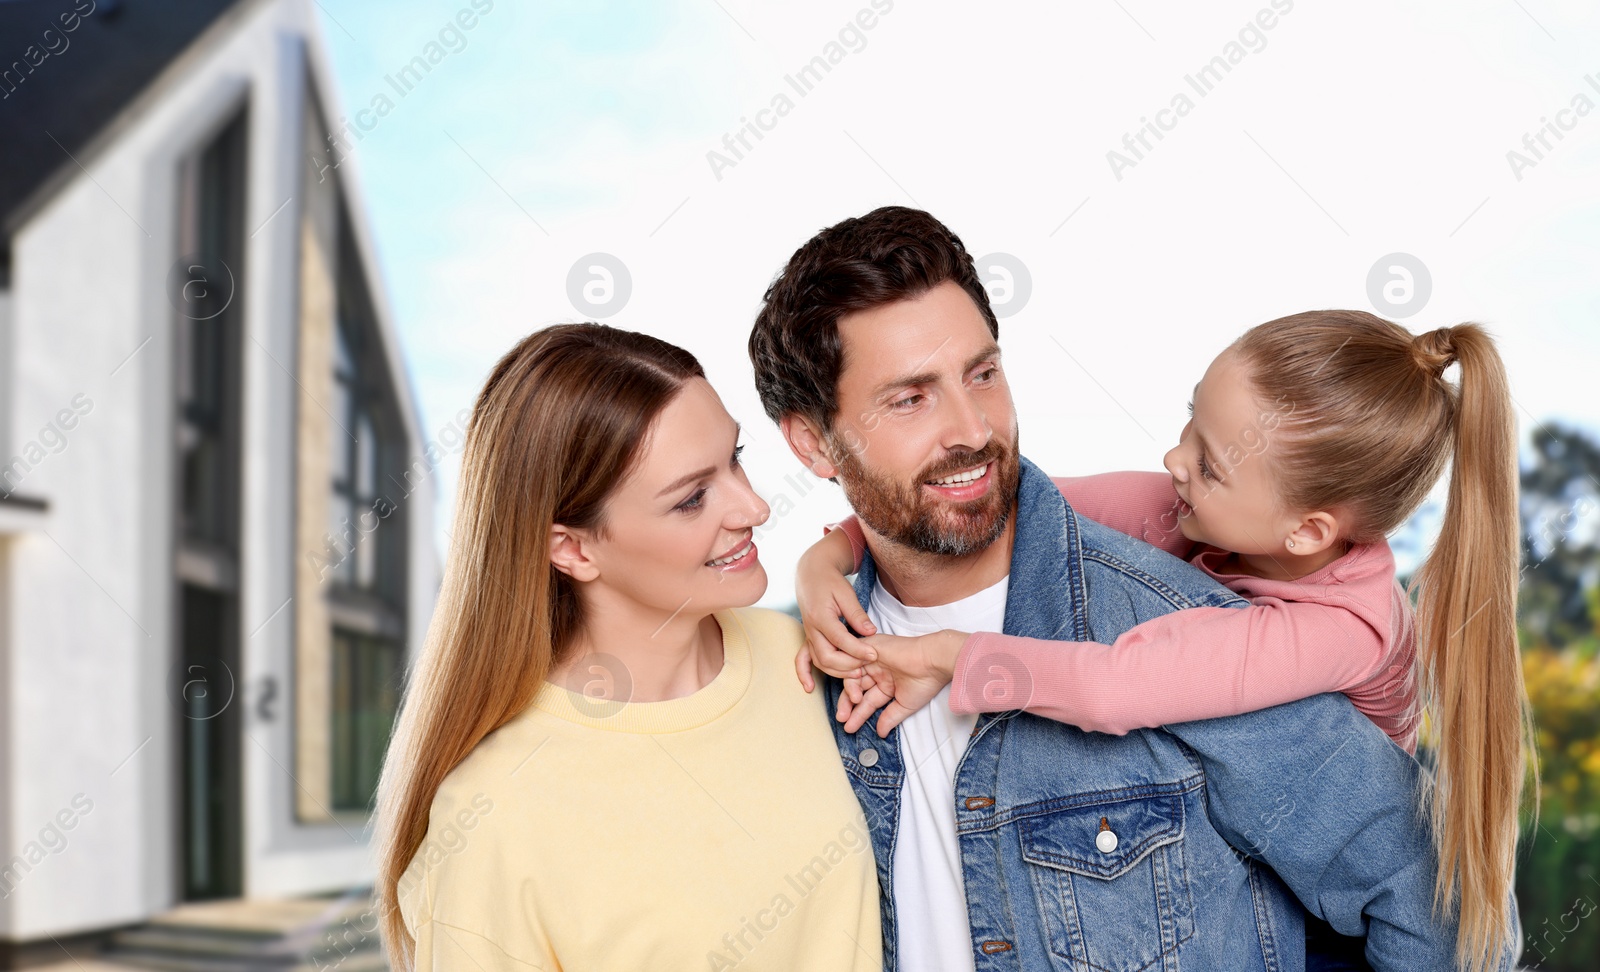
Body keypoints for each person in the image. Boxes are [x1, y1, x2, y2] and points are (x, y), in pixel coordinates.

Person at [747, 206, 1520, 971]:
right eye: (911, 398)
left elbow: (1451, 922)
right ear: (814, 443)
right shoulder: (789, 675)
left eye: (983, 373)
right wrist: (826, 560)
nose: (973, 428)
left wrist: (954, 657)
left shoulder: (1228, 641)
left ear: (1311, 530)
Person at [373, 324, 882, 971]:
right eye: (692, 498)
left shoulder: (808, 657)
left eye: (736, 458)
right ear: (574, 549)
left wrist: (833, 552)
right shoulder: (494, 821)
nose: (754, 507)